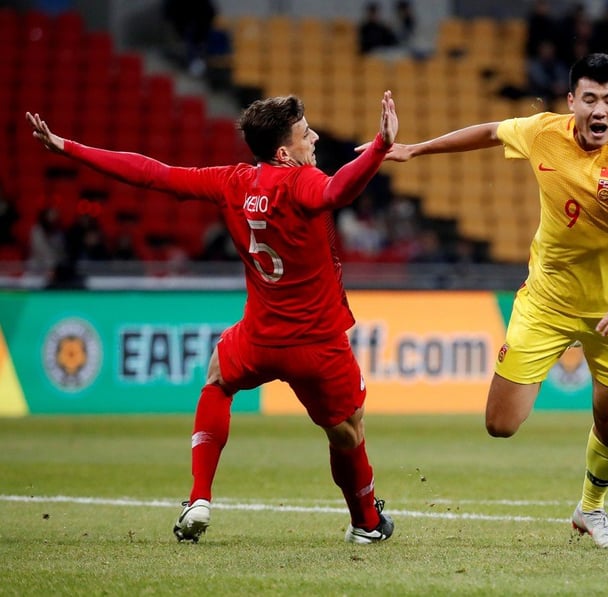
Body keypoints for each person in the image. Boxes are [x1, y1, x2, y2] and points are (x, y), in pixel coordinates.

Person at [26, 90, 400, 544]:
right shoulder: (300, 181)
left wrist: (69, 146)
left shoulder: (233, 182)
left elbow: (152, 174)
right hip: (319, 343)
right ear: (284, 152)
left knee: (218, 378)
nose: (315, 137)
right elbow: (339, 190)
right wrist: (379, 146)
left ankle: (199, 497)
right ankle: (366, 522)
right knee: (348, 428)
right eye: (305, 133)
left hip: (261, 337)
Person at [361, 53, 608, 549]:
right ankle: (540, 385)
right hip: (545, 302)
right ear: (572, 101)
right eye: (591, 99)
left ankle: (591, 509)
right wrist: (415, 150)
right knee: (500, 424)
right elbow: (490, 131)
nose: (601, 110)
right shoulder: (541, 132)